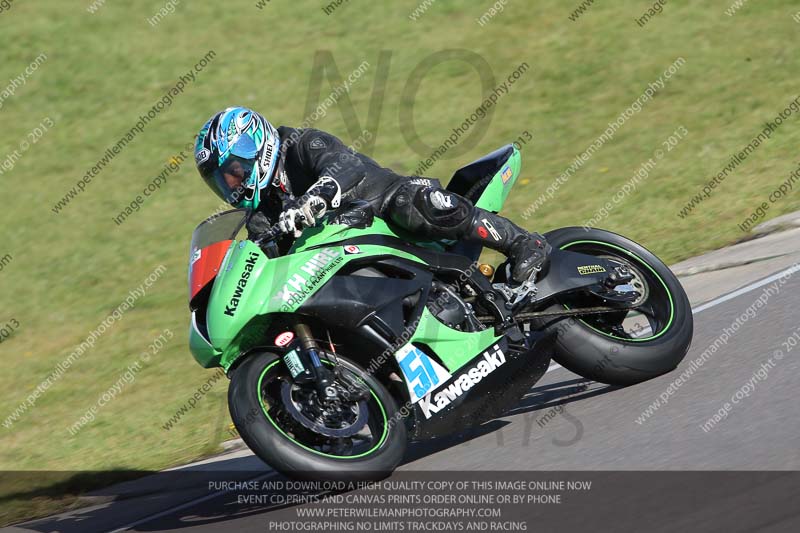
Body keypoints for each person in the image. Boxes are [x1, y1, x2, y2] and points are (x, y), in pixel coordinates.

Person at [194, 107, 549, 283]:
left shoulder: (301, 145)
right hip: (345, 254)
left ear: (254, 145)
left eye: (233, 171)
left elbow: (346, 167)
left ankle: (524, 244)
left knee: (415, 207)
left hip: (386, 205)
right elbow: (268, 262)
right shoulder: (260, 217)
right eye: (222, 181)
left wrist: (315, 198)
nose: (232, 184)